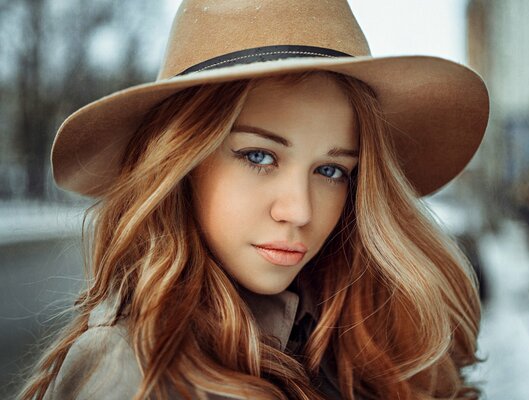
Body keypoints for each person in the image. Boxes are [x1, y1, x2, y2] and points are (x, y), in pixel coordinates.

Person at [20, 0, 489, 399]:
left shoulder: (368, 337)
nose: (300, 211)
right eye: (259, 156)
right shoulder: (136, 367)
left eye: (331, 170)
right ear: (184, 164)